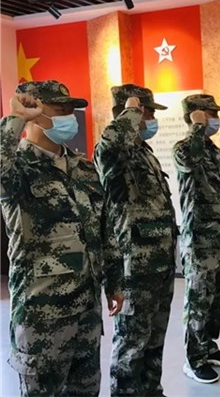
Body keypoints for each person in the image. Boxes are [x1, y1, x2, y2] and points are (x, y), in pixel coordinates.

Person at [1, 80, 123, 396]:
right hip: (42, 318)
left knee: (86, 390)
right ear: (35, 112)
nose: (70, 116)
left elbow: (104, 228)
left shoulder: (82, 167)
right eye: (60, 109)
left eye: (71, 109)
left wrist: (115, 281)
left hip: (86, 312)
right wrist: (15, 119)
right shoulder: (19, 168)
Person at [93, 84, 178, 397]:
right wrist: (130, 111)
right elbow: (109, 143)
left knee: (155, 339)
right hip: (134, 266)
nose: (151, 119)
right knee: (132, 343)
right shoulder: (113, 154)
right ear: (127, 114)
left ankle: (152, 390)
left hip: (160, 262)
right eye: (146, 112)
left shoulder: (145, 154)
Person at [172, 94, 220, 384]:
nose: (215, 118)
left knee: (216, 297)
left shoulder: (216, 153)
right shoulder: (185, 148)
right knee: (198, 300)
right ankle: (194, 359)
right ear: (195, 115)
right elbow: (189, 162)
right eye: (210, 113)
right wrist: (197, 128)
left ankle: (209, 347)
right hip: (199, 241)